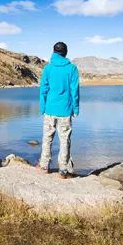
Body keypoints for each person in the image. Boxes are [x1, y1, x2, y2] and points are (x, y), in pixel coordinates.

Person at [38, 42, 80, 178]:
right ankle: (63, 169)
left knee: (47, 137)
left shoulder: (48, 68)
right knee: (65, 139)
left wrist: (42, 107)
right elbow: (75, 91)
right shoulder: (72, 68)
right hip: (65, 110)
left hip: (50, 110)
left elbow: (43, 89)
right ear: (66, 52)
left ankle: (44, 165)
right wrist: (76, 108)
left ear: (54, 52)